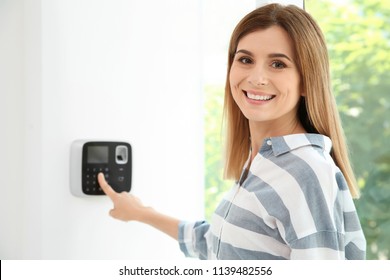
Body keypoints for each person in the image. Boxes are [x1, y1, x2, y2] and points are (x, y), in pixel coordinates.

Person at [98, 3, 366, 260]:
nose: (256, 78)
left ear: (307, 81)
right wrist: (141, 213)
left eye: (278, 64)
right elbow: (219, 246)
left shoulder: (305, 172)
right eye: (246, 59)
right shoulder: (265, 161)